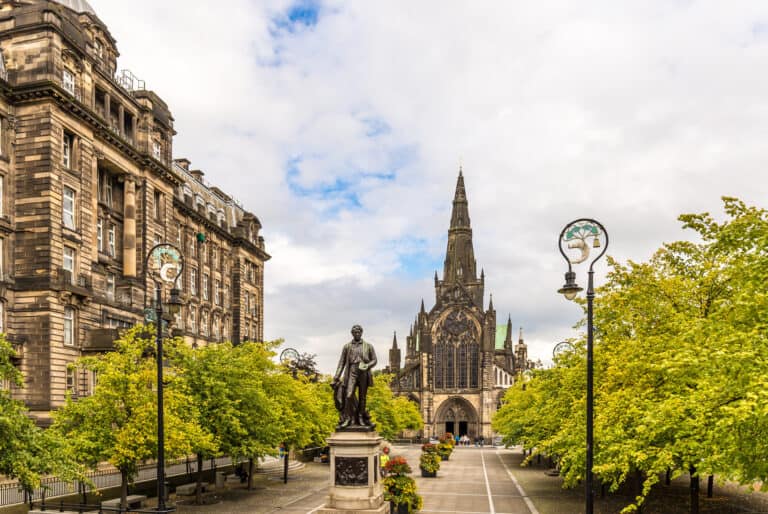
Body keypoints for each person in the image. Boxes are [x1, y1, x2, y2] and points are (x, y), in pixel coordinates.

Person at [332, 324, 378, 428]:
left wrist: (367, 365)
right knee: (349, 395)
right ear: (352, 334)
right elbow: (341, 362)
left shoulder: (368, 346)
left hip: (364, 372)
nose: (357, 334)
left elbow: (374, 360)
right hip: (351, 371)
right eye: (355, 332)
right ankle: (348, 418)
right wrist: (336, 376)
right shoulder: (347, 346)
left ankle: (361, 417)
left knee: (362, 397)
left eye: (359, 332)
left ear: (361, 333)